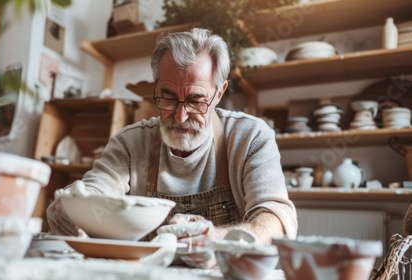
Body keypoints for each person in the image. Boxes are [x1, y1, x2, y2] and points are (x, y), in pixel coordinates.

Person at [47, 28, 297, 268]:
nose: (179, 116)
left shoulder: (250, 137)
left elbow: (276, 218)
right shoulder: (130, 144)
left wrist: (220, 241)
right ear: (156, 88)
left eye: (195, 100)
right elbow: (95, 190)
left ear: (219, 93)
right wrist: (70, 205)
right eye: (167, 97)